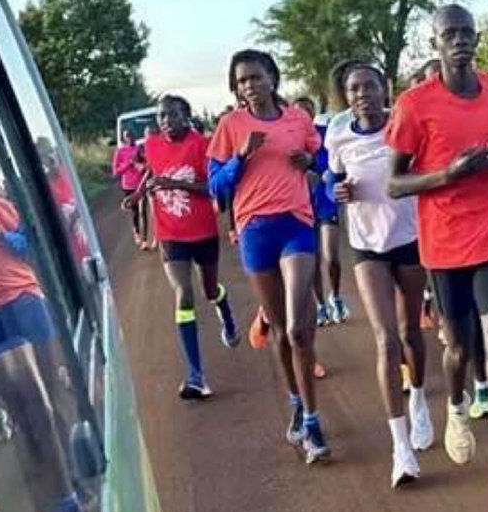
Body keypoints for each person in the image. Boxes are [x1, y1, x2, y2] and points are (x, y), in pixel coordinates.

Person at [387, 5, 488, 512]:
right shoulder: (414, 105)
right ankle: (452, 406)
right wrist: (451, 173)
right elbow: (395, 183)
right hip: (445, 245)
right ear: (435, 42)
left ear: (477, 39)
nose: (460, 42)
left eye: (467, 33)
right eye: (449, 34)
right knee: (456, 347)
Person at [208, 50, 330, 465]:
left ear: (272, 79)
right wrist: (240, 156)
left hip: (296, 224)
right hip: (255, 231)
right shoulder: (230, 126)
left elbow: (324, 156)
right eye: (241, 81)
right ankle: (296, 399)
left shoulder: (297, 118)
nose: (249, 86)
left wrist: (311, 161)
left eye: (256, 78)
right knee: (279, 328)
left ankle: (313, 424)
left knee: (298, 328)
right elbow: (215, 186)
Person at [326, 62, 434, 486]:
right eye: (354, 88)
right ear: (346, 95)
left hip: (408, 239)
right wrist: (337, 192)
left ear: (383, 89)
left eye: (370, 86)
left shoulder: (403, 126)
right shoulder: (338, 132)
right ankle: (401, 448)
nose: (362, 94)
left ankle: (420, 400)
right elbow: (331, 179)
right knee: (386, 339)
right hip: (366, 244)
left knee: (410, 333)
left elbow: (424, 170)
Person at [0, 191, 89, 512]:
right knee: (24, 417)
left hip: (20, 300)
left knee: (42, 404)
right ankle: (68, 492)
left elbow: (29, 242)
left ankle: (71, 504)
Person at [132, 95, 240, 399]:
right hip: (170, 235)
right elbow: (151, 173)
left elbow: (213, 187)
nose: (165, 121)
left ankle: (226, 312)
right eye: (161, 116)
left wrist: (176, 185)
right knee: (183, 293)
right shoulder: (152, 144)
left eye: (171, 115)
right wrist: (138, 196)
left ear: (186, 116)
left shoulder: (203, 145)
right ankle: (196, 375)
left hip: (203, 232)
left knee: (208, 290)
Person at [293, 96, 347, 327]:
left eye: (307, 111)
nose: (303, 115)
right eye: (298, 112)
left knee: (331, 255)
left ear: (313, 112)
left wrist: (319, 170)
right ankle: (320, 305)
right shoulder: (287, 137)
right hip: (302, 205)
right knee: (312, 259)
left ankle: (336, 296)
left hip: (325, 201)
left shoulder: (325, 133)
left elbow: (335, 163)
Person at [112, 127, 148, 248]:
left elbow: (147, 163)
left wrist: (139, 163)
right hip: (128, 186)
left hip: (142, 184)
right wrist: (129, 164)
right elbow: (116, 171)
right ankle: (136, 232)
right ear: (123, 138)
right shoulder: (120, 151)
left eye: (131, 135)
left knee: (143, 211)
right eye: (127, 136)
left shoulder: (139, 149)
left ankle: (144, 239)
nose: (130, 137)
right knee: (135, 212)